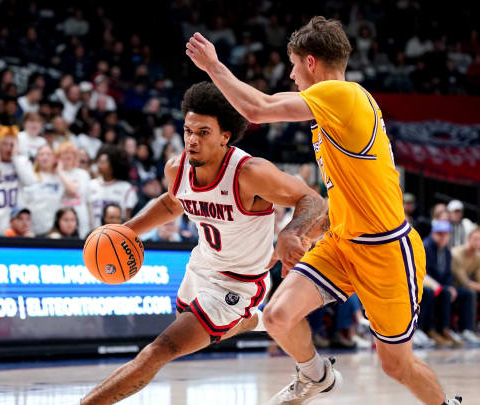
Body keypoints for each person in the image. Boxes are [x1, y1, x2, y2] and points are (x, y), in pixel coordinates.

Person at [186, 17, 461, 405]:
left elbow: (259, 108)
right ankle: (316, 377)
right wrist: (306, 231)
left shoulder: (340, 95)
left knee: (396, 365)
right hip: (343, 242)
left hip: (386, 251)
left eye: (295, 66)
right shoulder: (334, 112)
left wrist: (212, 65)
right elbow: (348, 191)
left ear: (311, 62)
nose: (293, 76)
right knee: (279, 316)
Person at [80, 82, 326, 404]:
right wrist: (128, 230)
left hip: (238, 284)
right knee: (198, 332)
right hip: (199, 269)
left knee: (159, 351)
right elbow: (173, 202)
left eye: (204, 132)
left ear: (225, 136)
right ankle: (255, 321)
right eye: (188, 130)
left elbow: (312, 201)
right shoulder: (177, 168)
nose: (192, 140)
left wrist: (291, 232)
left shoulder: (249, 173)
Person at [423, 219, 479, 346]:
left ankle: (466, 329)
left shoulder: (447, 251)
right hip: (428, 285)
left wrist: (449, 286)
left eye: (445, 234)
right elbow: (425, 273)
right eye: (439, 234)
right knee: (440, 293)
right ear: (433, 233)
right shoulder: (426, 247)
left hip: (442, 286)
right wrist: (444, 287)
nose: (443, 237)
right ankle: (434, 329)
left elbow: (448, 274)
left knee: (467, 293)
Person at [0, 125, 36, 232]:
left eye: (12, 145)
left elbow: (30, 182)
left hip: (16, 219)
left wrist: (15, 158)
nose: (9, 148)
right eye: (5, 144)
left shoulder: (22, 162)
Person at [23, 145, 75, 236]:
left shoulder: (59, 177)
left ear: (54, 158)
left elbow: (73, 192)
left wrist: (59, 171)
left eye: (48, 154)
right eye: (41, 154)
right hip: (32, 230)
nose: (45, 157)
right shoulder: (30, 176)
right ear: (37, 158)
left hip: (53, 231)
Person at [88, 145, 138, 230]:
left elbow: (127, 217)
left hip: (116, 234)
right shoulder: (90, 185)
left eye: (103, 162)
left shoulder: (126, 188)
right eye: (98, 161)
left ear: (113, 165)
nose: (98, 165)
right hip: (93, 233)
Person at [56, 142, 92, 238]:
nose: (68, 155)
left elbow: (88, 202)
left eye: (71, 153)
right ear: (58, 157)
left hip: (81, 219)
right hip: (61, 222)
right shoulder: (55, 175)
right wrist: (59, 171)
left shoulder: (83, 174)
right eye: (65, 153)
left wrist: (92, 224)